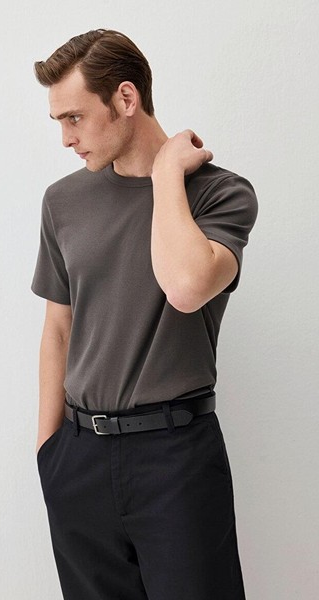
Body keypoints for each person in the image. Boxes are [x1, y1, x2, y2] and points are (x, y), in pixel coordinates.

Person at [30, 28, 258, 600]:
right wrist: (49, 453)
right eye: (59, 121)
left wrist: (165, 176)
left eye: (75, 118)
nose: (66, 138)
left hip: (175, 458)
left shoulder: (219, 194)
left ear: (126, 99)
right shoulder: (63, 201)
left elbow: (185, 286)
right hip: (78, 459)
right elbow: (58, 328)